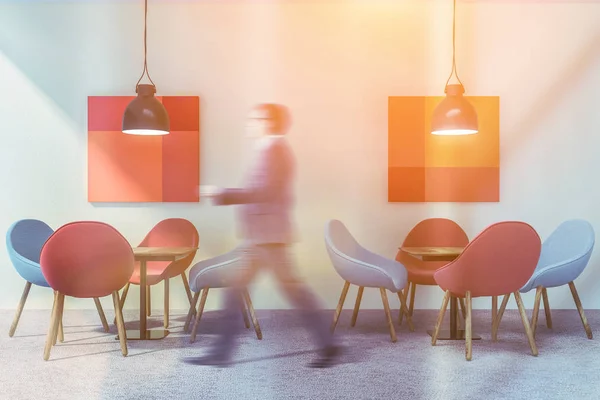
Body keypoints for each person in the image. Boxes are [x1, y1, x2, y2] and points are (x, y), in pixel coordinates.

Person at [187, 103, 342, 368]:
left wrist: (221, 193)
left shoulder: (275, 151)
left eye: (254, 118)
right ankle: (328, 345)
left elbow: (264, 191)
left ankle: (222, 354)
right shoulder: (271, 150)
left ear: (268, 122)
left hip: (267, 237)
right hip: (263, 236)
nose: (249, 123)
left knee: (281, 292)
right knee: (272, 291)